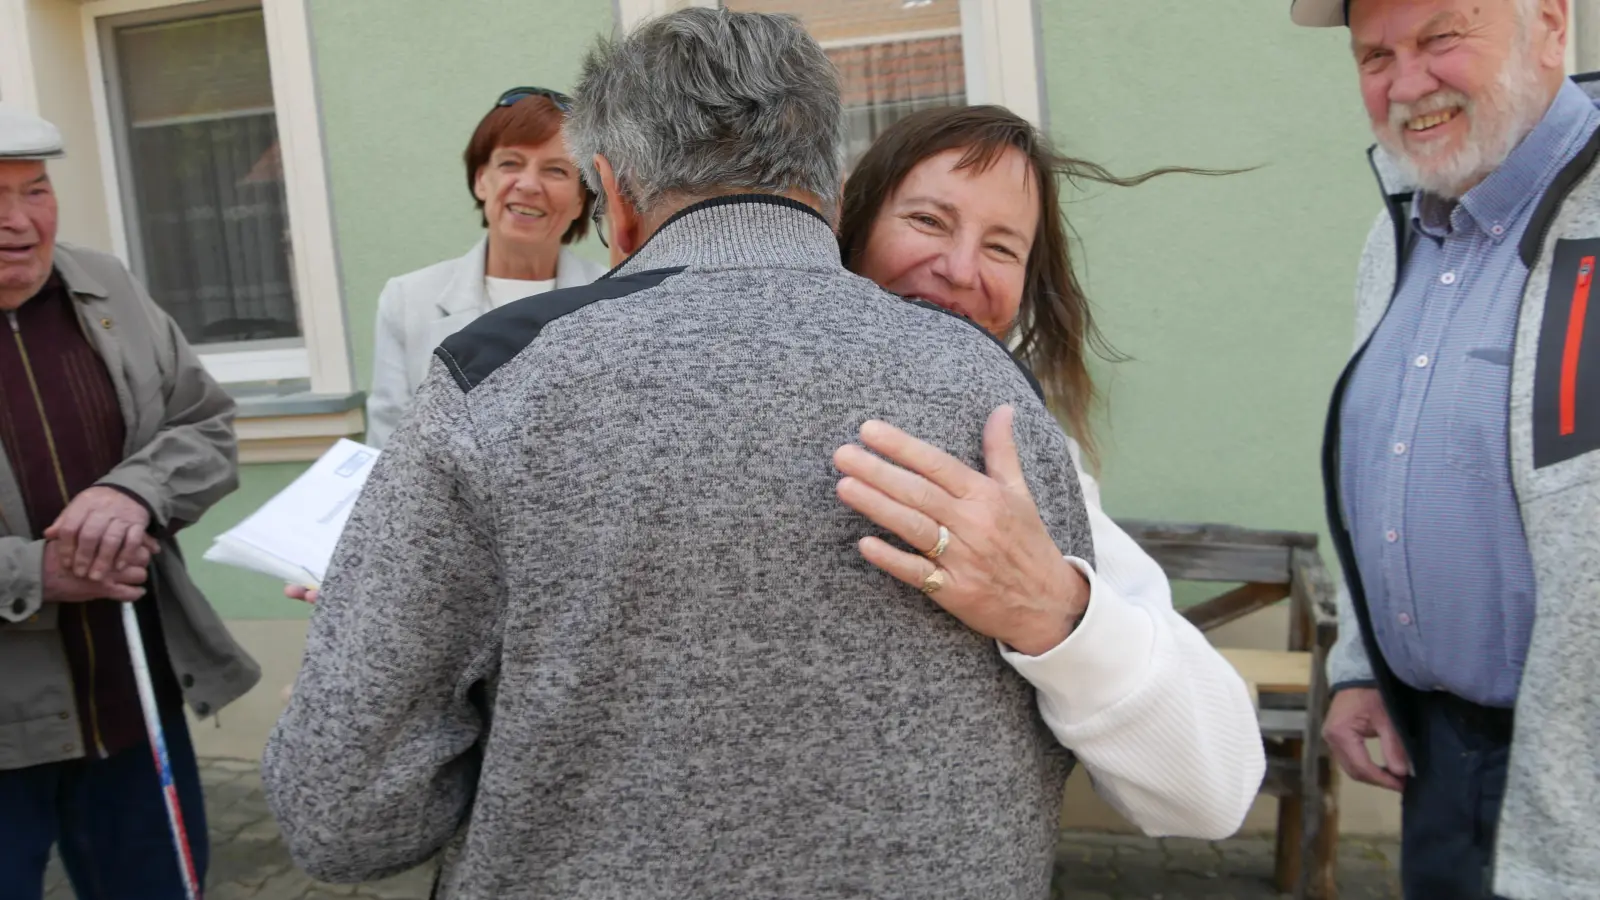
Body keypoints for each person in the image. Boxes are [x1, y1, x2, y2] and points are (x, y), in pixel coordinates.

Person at [267, 9, 1106, 898]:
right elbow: (1061, 714)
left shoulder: (498, 380)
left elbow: (341, 815)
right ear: (825, 183)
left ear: (611, 198)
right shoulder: (989, 386)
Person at [830, 105, 1264, 838]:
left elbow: (1215, 790)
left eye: (1002, 248)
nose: (960, 270)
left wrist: (1055, 610)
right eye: (930, 222)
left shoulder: (1025, 464)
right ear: (852, 225)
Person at [1289, 0, 1600, 896]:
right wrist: (1360, 664)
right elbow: (1383, 468)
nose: (1408, 83)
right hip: (1437, 763)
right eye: (1375, 54)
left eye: (1441, 38)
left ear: (1548, 25)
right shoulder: (1400, 235)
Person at [0, 103, 256, 898]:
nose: (18, 223)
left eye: (35, 190)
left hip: (132, 699)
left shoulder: (103, 283)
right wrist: (38, 572)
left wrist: (132, 491)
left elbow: (206, 428)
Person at [364, 86, 606, 449]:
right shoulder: (407, 301)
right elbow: (387, 452)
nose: (528, 185)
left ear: (580, 201)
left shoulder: (618, 297)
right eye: (510, 163)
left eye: (555, 170)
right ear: (481, 181)